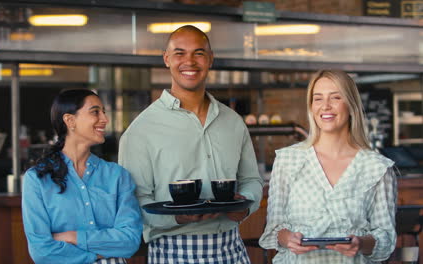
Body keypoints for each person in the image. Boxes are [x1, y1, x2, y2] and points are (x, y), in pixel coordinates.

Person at [118, 25, 263, 263]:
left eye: (198, 53)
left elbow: (251, 181)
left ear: (210, 59)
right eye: (179, 53)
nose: (190, 61)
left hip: (232, 248)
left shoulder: (233, 122)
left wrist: (245, 206)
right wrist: (177, 217)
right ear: (166, 59)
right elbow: (133, 201)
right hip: (173, 251)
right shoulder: (140, 130)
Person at [259, 69, 397, 263]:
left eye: (335, 98)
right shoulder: (288, 160)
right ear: (311, 106)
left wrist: (360, 243)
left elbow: (385, 239)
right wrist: (288, 239)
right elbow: (274, 229)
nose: (325, 106)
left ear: (351, 105)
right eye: (318, 99)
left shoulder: (377, 167)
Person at [22, 89, 142, 264]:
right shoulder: (37, 179)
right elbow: (41, 251)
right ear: (70, 120)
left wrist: (73, 237)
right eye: (95, 112)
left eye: (104, 112)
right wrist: (97, 255)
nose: (105, 119)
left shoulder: (117, 175)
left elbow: (130, 241)